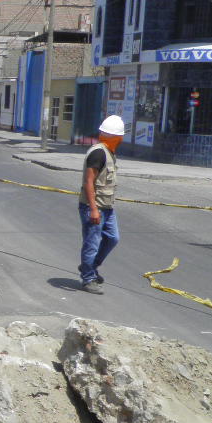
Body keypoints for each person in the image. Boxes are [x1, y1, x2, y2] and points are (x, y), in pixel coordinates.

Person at [78, 115, 124, 295]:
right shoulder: (98, 153)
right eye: (120, 137)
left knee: (113, 238)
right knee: (92, 243)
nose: (121, 140)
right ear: (116, 137)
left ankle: (89, 267)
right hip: (94, 207)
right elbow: (88, 182)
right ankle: (88, 278)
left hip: (107, 207)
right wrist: (94, 209)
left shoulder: (109, 152)